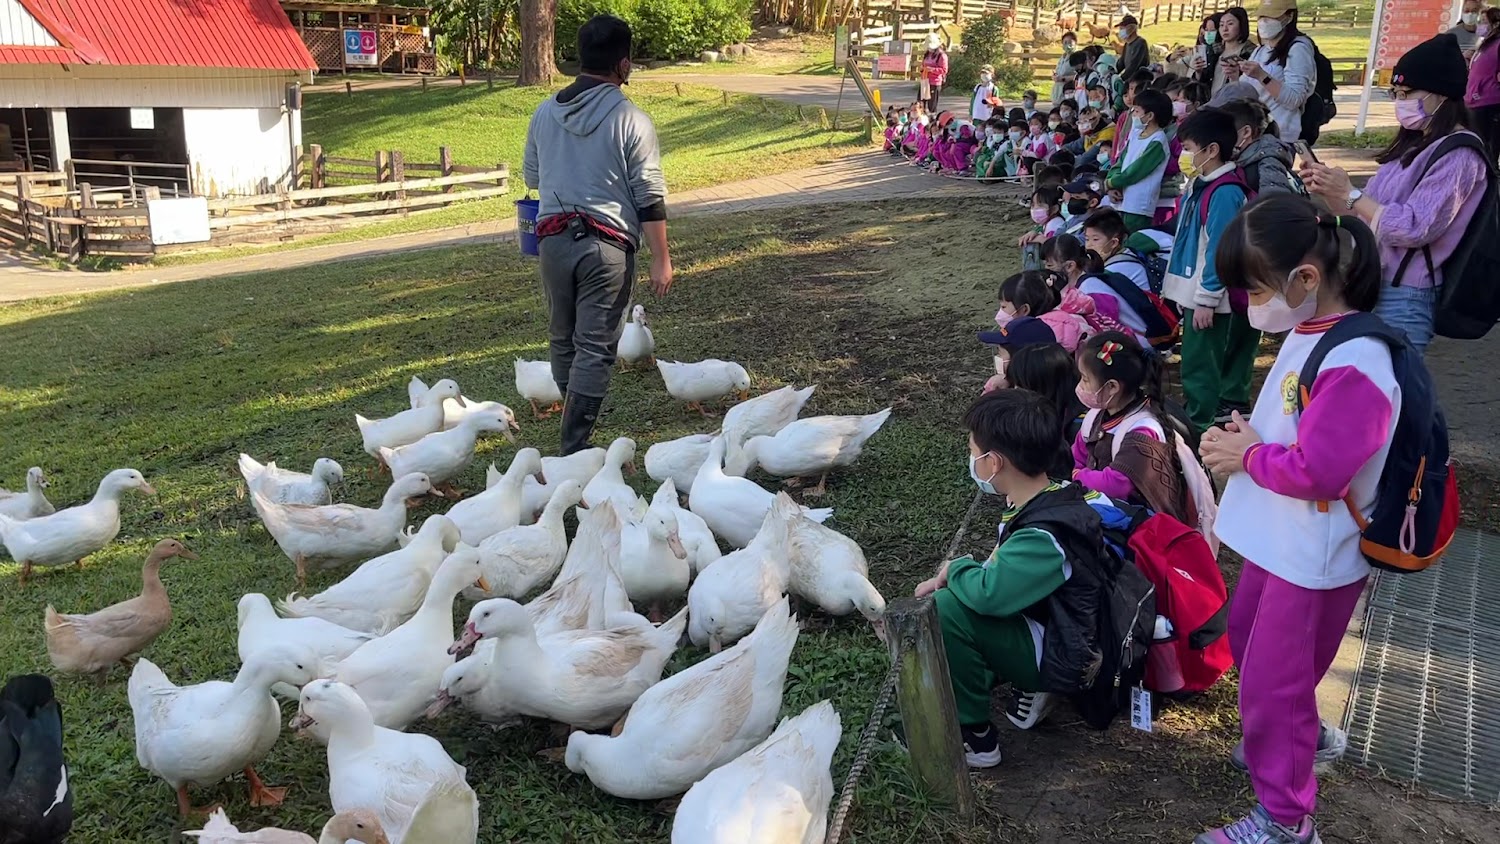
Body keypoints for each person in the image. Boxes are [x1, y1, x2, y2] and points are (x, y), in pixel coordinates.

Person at [1196, 194, 1394, 844]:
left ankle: (1284, 820)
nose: (1248, 305)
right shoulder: (1313, 332)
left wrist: (1248, 453)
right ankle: (1291, 739)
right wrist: (1255, 436)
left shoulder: (1358, 361)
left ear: (1304, 280)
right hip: (1282, 541)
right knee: (1255, 650)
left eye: (1254, 289)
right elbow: (1298, 426)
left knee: (1276, 684)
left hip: (1314, 556)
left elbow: (1321, 471)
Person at [914, 389, 1118, 766]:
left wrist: (954, 569)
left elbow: (990, 593)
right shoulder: (1052, 496)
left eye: (973, 451)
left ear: (994, 463)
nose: (971, 458)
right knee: (959, 597)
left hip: (1064, 652)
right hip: (1053, 624)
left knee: (947, 608)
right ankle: (995, 679)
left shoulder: (1044, 536)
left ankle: (976, 739)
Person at [523, 14, 671, 454]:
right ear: (623, 65)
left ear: (578, 57)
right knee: (594, 347)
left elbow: (532, 176)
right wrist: (662, 258)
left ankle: (573, 432)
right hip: (606, 247)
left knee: (561, 337)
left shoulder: (544, 113)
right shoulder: (631, 119)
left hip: (551, 240)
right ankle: (574, 446)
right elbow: (648, 196)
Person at [1301, 33, 1488, 354]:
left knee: (1396, 389)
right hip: (1373, 278)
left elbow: (1413, 228)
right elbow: (1361, 214)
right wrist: (1330, 189)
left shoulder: (1460, 154)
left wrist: (1352, 194)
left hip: (1408, 293)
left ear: (1442, 95)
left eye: (1408, 93)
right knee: (1370, 382)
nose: (1401, 102)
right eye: (1396, 93)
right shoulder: (1412, 144)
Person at [1164, 108, 1260, 433]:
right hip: (1197, 291)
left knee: (1199, 361)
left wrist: (1205, 298)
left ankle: (1198, 423)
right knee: (1203, 356)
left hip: (1211, 296)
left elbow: (1220, 248)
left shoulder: (1225, 192)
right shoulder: (1201, 185)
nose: (1185, 156)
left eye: (1190, 148)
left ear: (1212, 150)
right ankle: (1213, 412)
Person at [1072, 331, 1211, 533]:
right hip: (1108, 511)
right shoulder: (1095, 417)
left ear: (1111, 387)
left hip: (1146, 529)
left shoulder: (1143, 429)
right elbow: (1077, 453)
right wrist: (1076, 471)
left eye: (1085, 379)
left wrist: (1077, 476)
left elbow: (1116, 484)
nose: (1080, 386)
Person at [1240, 0, 1316, 144]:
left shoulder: (1298, 49)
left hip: (1280, 136)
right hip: (1255, 132)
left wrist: (1262, 75)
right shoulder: (1261, 50)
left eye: (1272, 17)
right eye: (1261, 17)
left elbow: (1294, 99)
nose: (1264, 22)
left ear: (1289, 16)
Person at [1007, 343, 1087, 478]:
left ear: (1042, 387)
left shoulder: (1080, 427)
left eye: (1020, 386)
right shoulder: (1056, 411)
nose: (1015, 391)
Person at [1106, 89, 1175, 233]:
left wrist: (1111, 182)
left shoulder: (1158, 141)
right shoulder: (1136, 133)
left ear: (1149, 116)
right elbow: (1121, 160)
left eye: (1136, 111)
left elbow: (1136, 172)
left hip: (1138, 206)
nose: (1133, 115)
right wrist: (1112, 183)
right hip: (1122, 199)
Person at [1222, 98, 1301, 195]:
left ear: (1246, 132)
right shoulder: (1246, 159)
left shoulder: (1269, 165)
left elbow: (1276, 206)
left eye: (1225, 132)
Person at [1466, 8, 1500, 161]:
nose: (1480, 25)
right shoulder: (1485, 44)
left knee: (1487, 149)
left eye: (1484, 22)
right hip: (1475, 101)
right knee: (1477, 145)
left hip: (1490, 102)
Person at [1208, 7, 1257, 94]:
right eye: (1221, 25)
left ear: (1241, 25)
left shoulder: (1251, 53)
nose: (1225, 29)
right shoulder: (1214, 51)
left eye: (1230, 24)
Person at [1117, 15, 1150, 83]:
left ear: (1131, 28)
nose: (1120, 31)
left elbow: (1134, 65)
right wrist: (1112, 72)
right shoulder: (1127, 44)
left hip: (1139, 81)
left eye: (1122, 28)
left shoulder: (1140, 43)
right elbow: (1121, 63)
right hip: (1130, 81)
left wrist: (1121, 79)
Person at [921, 34, 948, 112]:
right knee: (921, 104)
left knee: (931, 106)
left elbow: (944, 70)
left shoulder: (942, 56)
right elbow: (923, 64)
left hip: (934, 83)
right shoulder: (927, 54)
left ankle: (932, 120)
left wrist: (932, 69)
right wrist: (923, 68)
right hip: (924, 81)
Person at [1053, 31, 1080, 107]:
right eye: (1065, 42)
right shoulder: (1063, 57)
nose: (1067, 45)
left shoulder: (1077, 57)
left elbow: (1079, 76)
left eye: (1070, 42)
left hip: (1069, 93)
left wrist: (1063, 78)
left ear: (1075, 42)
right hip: (1058, 92)